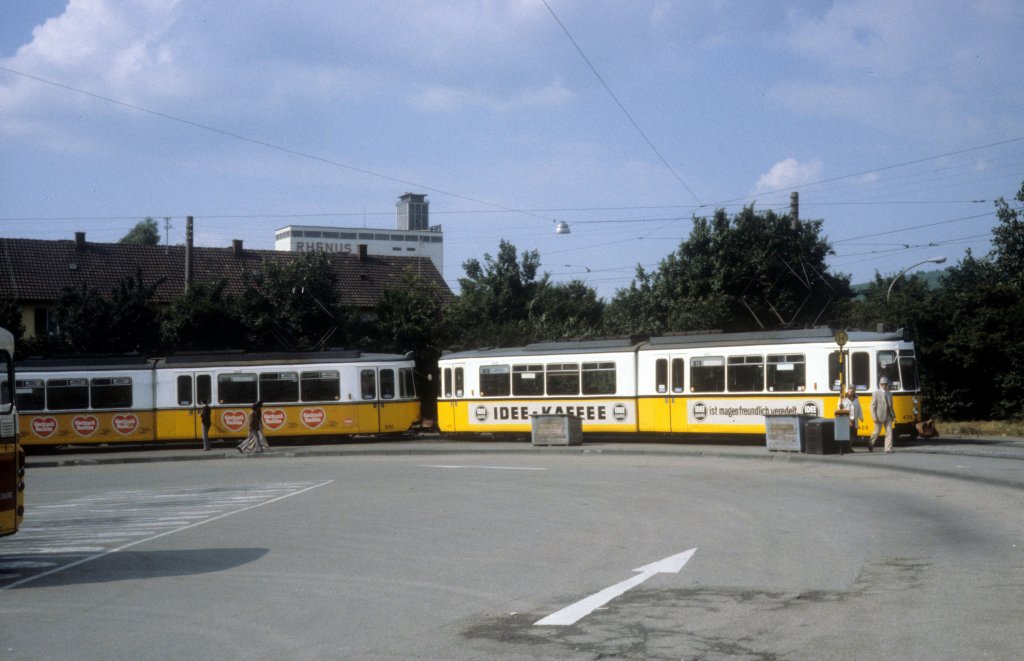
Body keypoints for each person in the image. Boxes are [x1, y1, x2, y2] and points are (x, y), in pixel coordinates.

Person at [869, 377, 896, 453]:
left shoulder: (890, 393)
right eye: (882, 384)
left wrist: (893, 415)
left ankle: (888, 448)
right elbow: (872, 406)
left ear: (887, 385)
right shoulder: (876, 393)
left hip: (888, 415)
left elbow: (891, 406)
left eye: (885, 384)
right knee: (877, 431)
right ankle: (870, 443)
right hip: (879, 415)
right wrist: (874, 416)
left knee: (889, 431)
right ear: (880, 384)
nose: (884, 385)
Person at [839, 387, 863, 452]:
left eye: (853, 391)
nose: (852, 392)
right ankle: (845, 448)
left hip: (854, 418)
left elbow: (859, 407)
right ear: (848, 391)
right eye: (850, 391)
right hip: (847, 418)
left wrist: (861, 416)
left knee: (853, 435)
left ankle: (849, 447)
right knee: (847, 434)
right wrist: (840, 400)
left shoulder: (856, 398)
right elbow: (839, 406)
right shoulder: (844, 398)